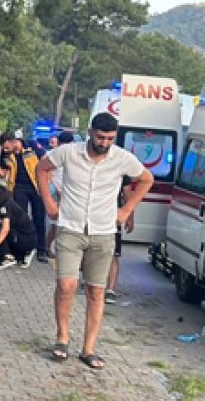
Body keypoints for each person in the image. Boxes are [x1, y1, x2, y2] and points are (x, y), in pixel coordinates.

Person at [38, 113, 153, 369]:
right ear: (91, 132)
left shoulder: (121, 158)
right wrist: (49, 202)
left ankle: (89, 348)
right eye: (100, 137)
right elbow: (42, 167)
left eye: (110, 138)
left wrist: (126, 211)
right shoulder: (69, 152)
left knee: (96, 290)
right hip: (70, 227)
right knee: (66, 285)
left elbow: (146, 179)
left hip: (103, 232)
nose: (104, 143)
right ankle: (62, 339)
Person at [0, 132, 49, 263]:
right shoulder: (6, 154)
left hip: (36, 186)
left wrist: (47, 183)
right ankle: (21, 250)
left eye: (5, 146)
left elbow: (47, 163)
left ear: (13, 141)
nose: (4, 149)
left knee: (39, 218)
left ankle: (41, 249)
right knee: (20, 220)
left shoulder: (32, 146)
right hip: (18, 188)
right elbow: (3, 174)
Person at [0, 182, 37, 268]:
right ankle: (21, 254)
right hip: (25, 236)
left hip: (25, 238)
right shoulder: (6, 201)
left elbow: (5, 229)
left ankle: (7, 258)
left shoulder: (4, 206)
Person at [44, 131, 76, 257]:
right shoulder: (59, 155)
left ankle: (48, 247)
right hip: (58, 191)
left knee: (57, 223)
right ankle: (48, 247)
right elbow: (48, 174)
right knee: (57, 223)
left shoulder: (52, 154)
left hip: (61, 191)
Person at [104, 178, 136, 303]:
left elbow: (128, 196)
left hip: (113, 217)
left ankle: (110, 290)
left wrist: (130, 217)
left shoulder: (122, 168)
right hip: (94, 215)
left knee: (113, 254)